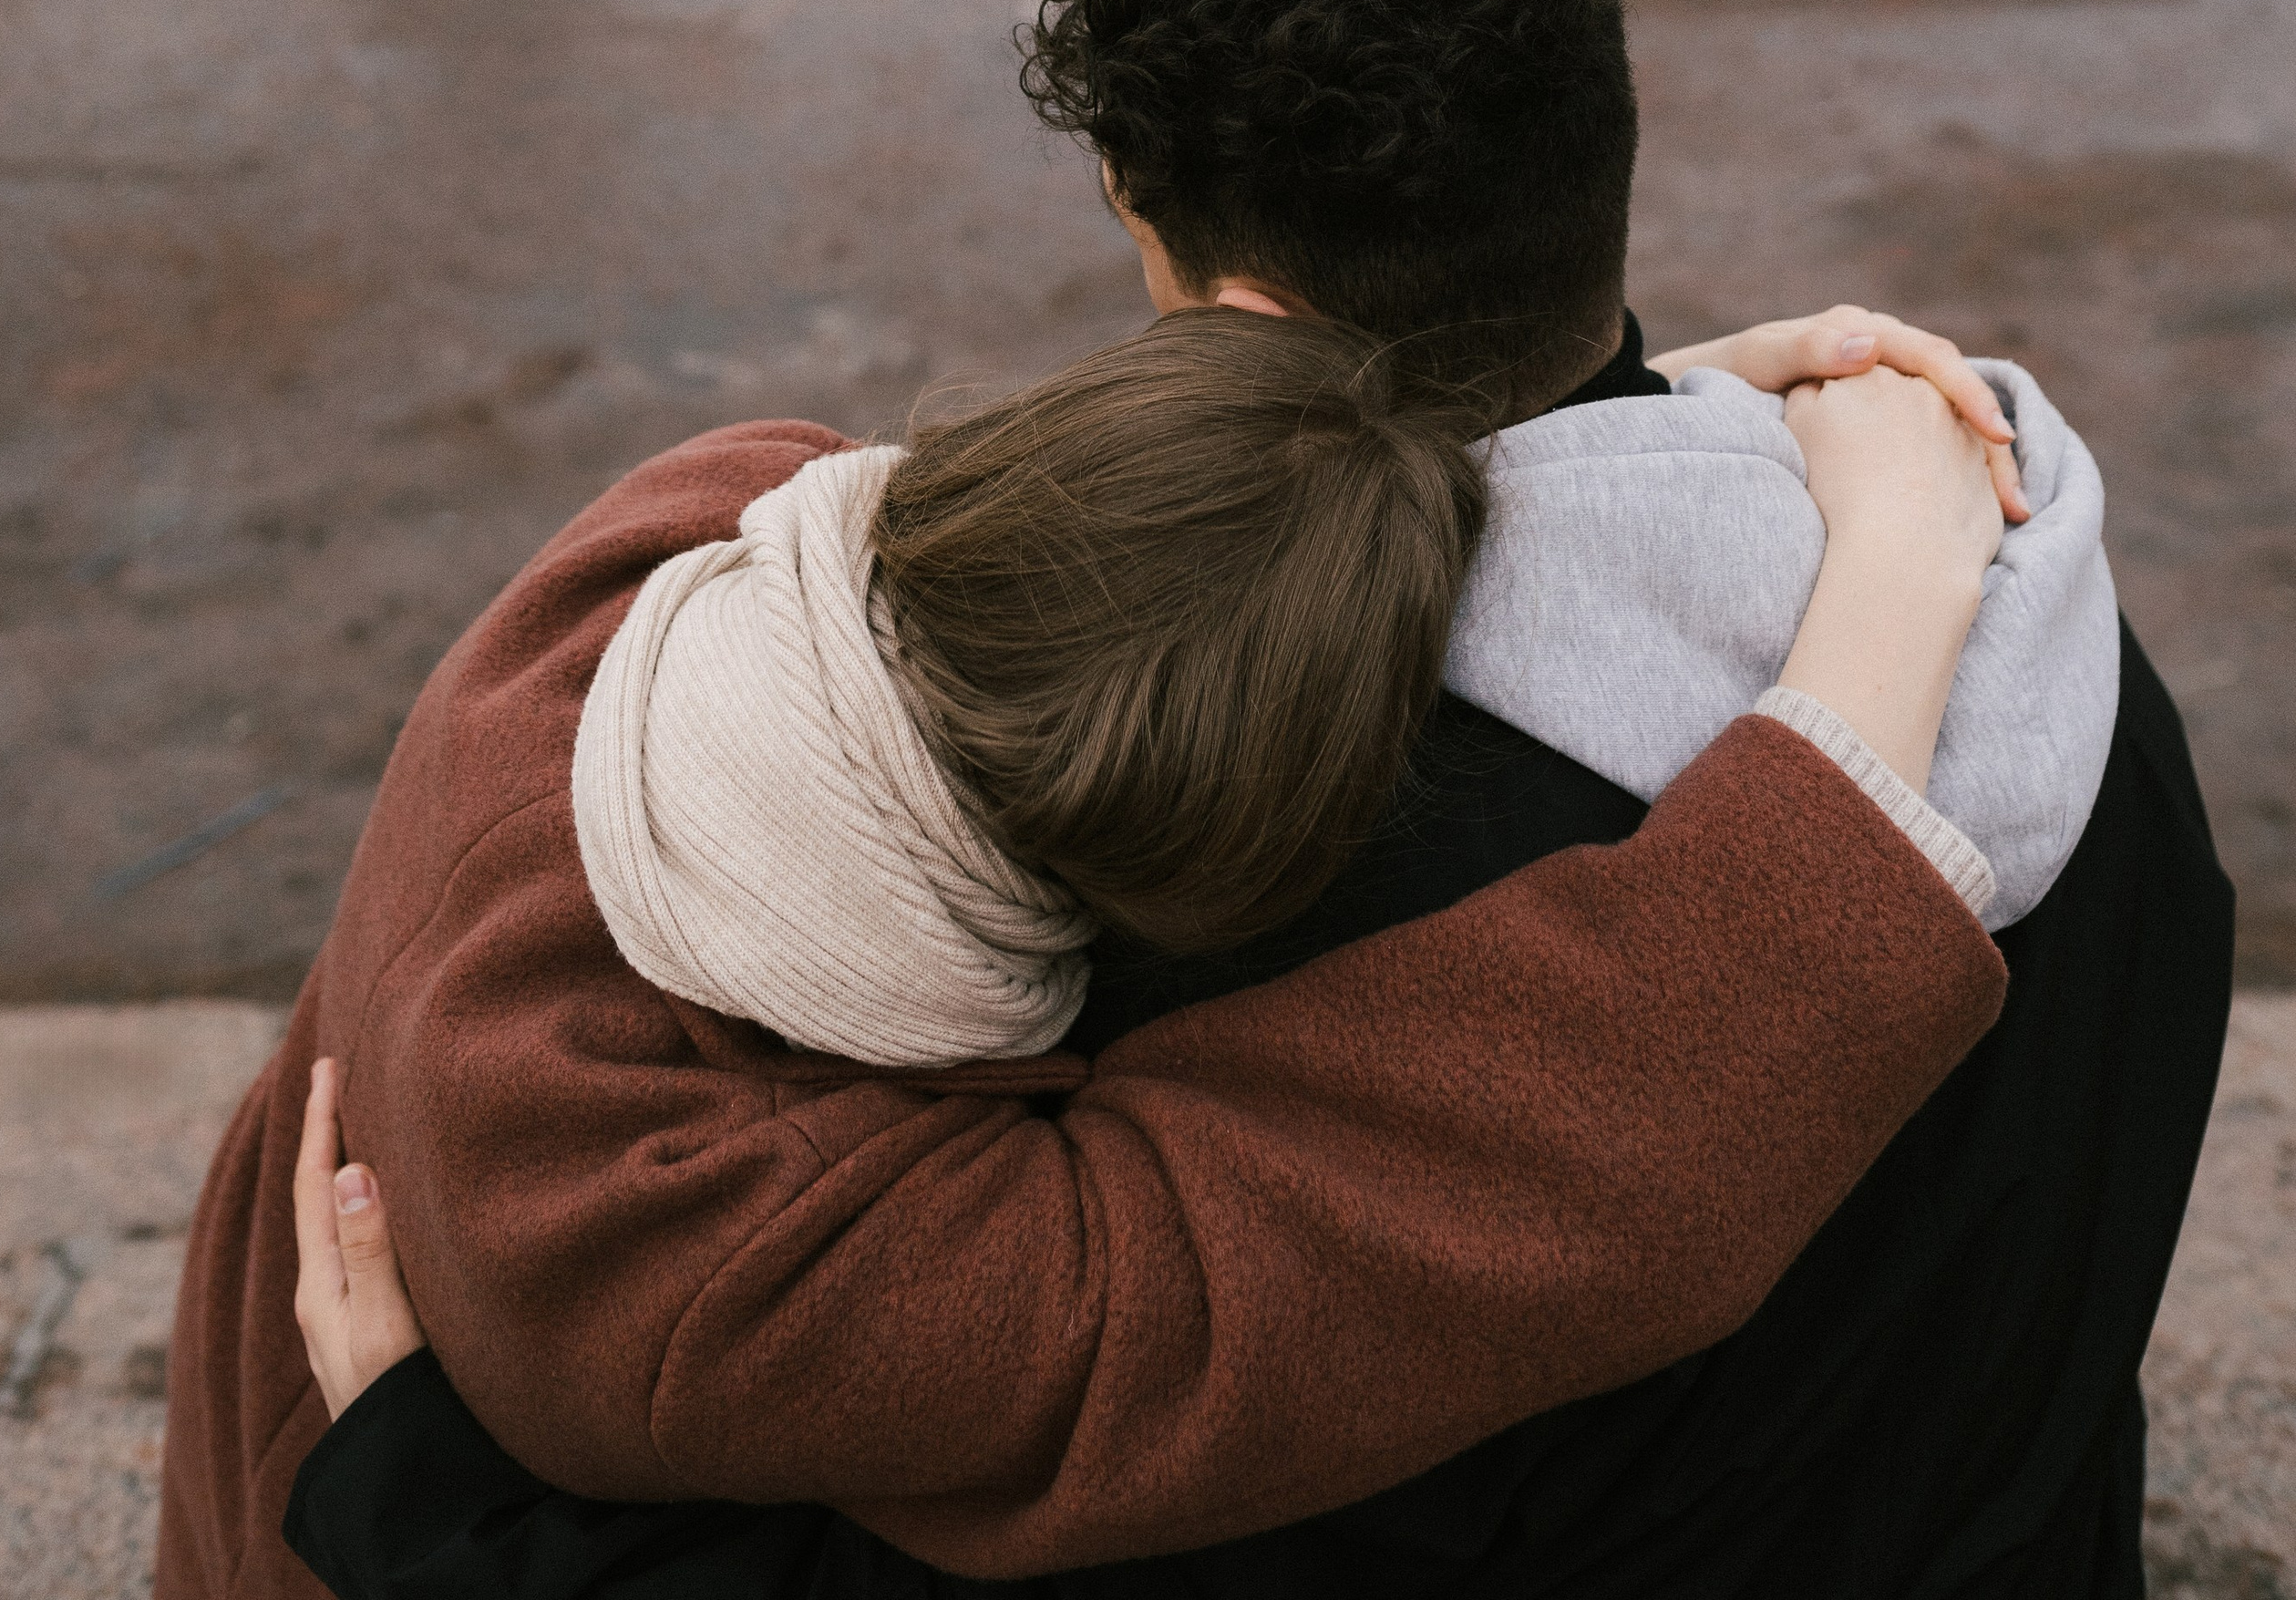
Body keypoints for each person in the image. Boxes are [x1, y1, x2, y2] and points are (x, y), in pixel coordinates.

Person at [281, 0, 2231, 1600]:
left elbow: (1122, 1466)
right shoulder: (2037, 615)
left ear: (1207, 283)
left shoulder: (1246, 855)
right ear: (1592, 157)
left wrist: (437, 1509)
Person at [276, 339, 2018, 1600]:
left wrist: (1634, 418)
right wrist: (1900, 578)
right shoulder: (771, 1259)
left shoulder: (683, 534)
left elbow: (1142, 563)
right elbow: (1603, 1137)